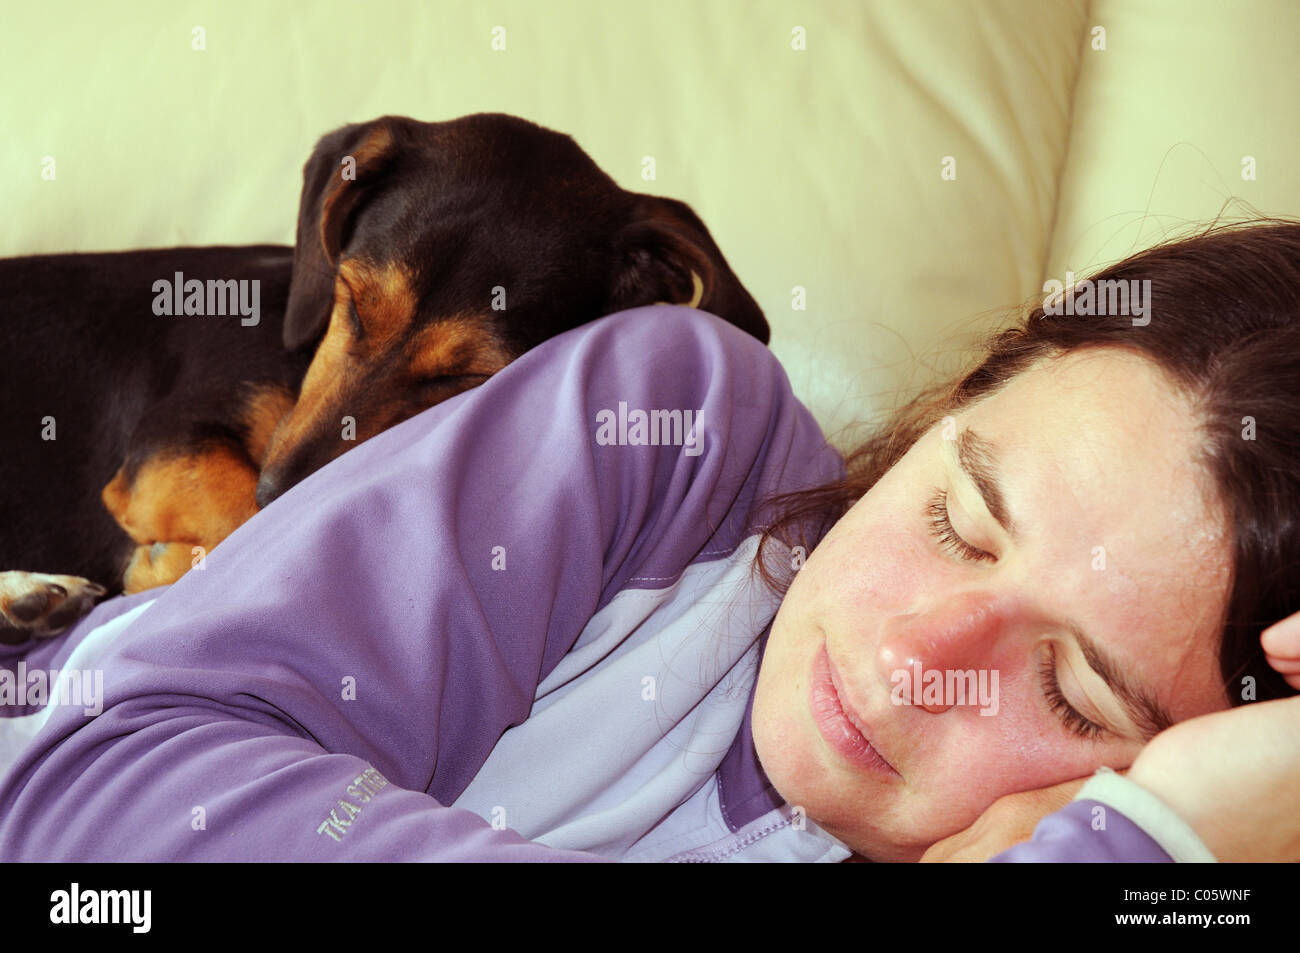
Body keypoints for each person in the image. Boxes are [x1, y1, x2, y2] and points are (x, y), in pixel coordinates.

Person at [1, 219, 1297, 862]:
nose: (915, 658)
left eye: (1071, 695)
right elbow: (93, 785)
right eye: (958, 525)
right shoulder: (674, 428)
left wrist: (1165, 836)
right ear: (944, 417)